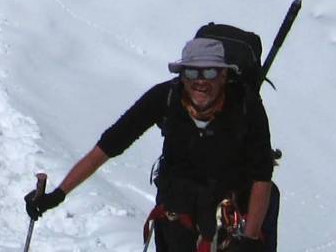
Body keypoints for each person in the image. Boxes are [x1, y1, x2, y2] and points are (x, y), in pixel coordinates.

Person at [24, 36, 277, 251]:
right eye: (192, 72)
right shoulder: (165, 98)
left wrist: (250, 238)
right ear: (182, 75)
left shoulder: (246, 106)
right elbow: (105, 149)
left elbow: (261, 176)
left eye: (209, 71)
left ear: (224, 76)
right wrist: (57, 195)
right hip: (178, 218)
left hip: (229, 223)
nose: (200, 80)